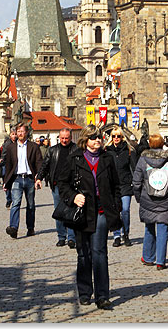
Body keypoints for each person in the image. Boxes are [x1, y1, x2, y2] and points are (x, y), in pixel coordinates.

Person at [57, 124, 121, 310]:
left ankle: (102, 295)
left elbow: (116, 185)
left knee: (99, 252)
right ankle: (85, 292)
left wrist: (115, 205)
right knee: (83, 254)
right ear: (86, 141)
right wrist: (73, 197)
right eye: (94, 138)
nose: (98, 141)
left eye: (99, 137)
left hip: (101, 211)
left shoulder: (107, 158)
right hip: (81, 212)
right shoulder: (74, 158)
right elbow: (62, 184)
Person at [133, 134, 168, 269]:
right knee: (163, 228)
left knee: (149, 228)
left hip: (147, 198)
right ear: (162, 144)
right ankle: (160, 261)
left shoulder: (143, 159)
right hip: (165, 198)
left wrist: (139, 197)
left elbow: (136, 182)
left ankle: (148, 257)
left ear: (150, 144)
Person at [36, 128, 78, 248]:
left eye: (67, 138)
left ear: (71, 138)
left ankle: (71, 238)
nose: (64, 140)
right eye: (62, 138)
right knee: (59, 211)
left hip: (72, 185)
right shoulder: (53, 150)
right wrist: (39, 178)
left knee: (70, 210)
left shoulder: (76, 149)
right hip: (57, 185)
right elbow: (45, 165)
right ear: (59, 137)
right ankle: (61, 237)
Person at [4, 123, 43, 239]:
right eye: (18, 132)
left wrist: (38, 177)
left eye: (22, 131)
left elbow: (39, 162)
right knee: (15, 203)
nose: (20, 134)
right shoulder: (11, 147)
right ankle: (13, 228)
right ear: (16, 133)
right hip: (16, 178)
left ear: (27, 133)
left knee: (30, 204)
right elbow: (8, 166)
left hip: (30, 178)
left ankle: (30, 228)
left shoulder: (33, 147)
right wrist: (6, 182)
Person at [105, 126, 137, 247]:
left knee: (125, 210)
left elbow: (134, 168)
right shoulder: (107, 151)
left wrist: (135, 183)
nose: (116, 138)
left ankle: (126, 234)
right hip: (112, 185)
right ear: (111, 138)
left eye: (118, 136)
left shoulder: (129, 150)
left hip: (125, 184)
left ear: (122, 137)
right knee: (114, 211)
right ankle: (116, 235)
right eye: (114, 136)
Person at [1, 128, 17, 208]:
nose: (14, 136)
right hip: (7, 165)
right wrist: (2, 160)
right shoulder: (7, 143)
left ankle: (15, 199)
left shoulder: (19, 143)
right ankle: (8, 199)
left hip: (15, 165)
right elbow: (4, 153)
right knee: (6, 182)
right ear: (10, 135)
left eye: (15, 134)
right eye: (12, 134)